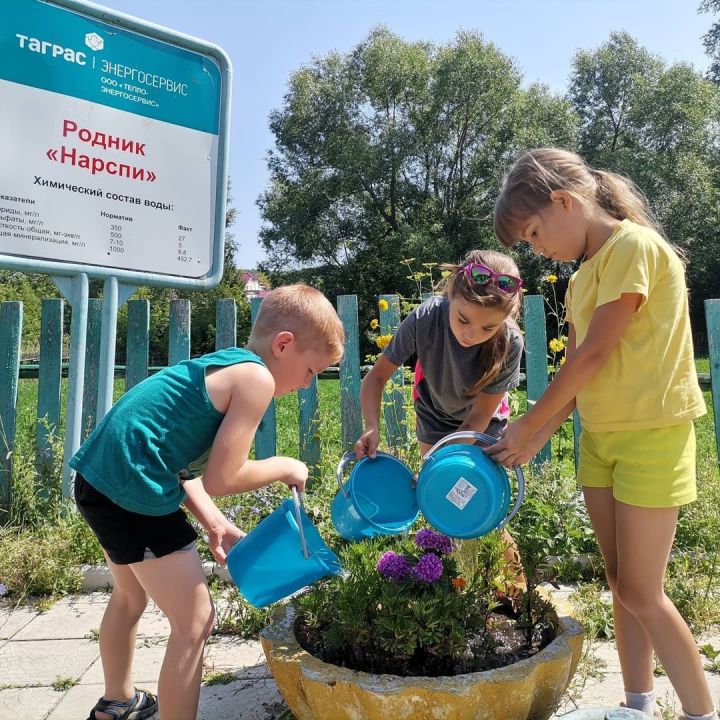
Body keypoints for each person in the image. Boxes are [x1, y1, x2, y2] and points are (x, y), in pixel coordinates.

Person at [488, 147, 716, 720]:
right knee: (621, 583)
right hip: (602, 439)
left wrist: (531, 422)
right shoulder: (586, 273)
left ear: (564, 202)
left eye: (536, 233)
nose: (539, 250)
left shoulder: (633, 247)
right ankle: (637, 705)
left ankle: (700, 713)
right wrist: (539, 435)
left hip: (651, 436)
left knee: (643, 590)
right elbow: (583, 379)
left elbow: (593, 354)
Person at [70, 284, 344, 720]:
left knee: (128, 598)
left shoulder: (227, 364)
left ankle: (116, 704)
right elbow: (223, 477)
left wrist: (214, 523)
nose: (308, 384)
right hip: (134, 495)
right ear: (284, 344)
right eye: (311, 371)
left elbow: (181, 465)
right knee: (196, 621)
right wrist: (285, 465)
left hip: (100, 481)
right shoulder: (256, 379)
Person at [355, 249, 526, 584]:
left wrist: (435, 466)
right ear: (450, 294)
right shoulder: (427, 317)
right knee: (444, 506)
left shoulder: (510, 342)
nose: (471, 333)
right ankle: (456, 585)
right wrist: (372, 427)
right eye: (463, 319)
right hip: (434, 420)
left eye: (487, 326)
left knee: (486, 512)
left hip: (481, 427)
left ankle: (517, 592)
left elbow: (476, 422)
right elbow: (374, 378)